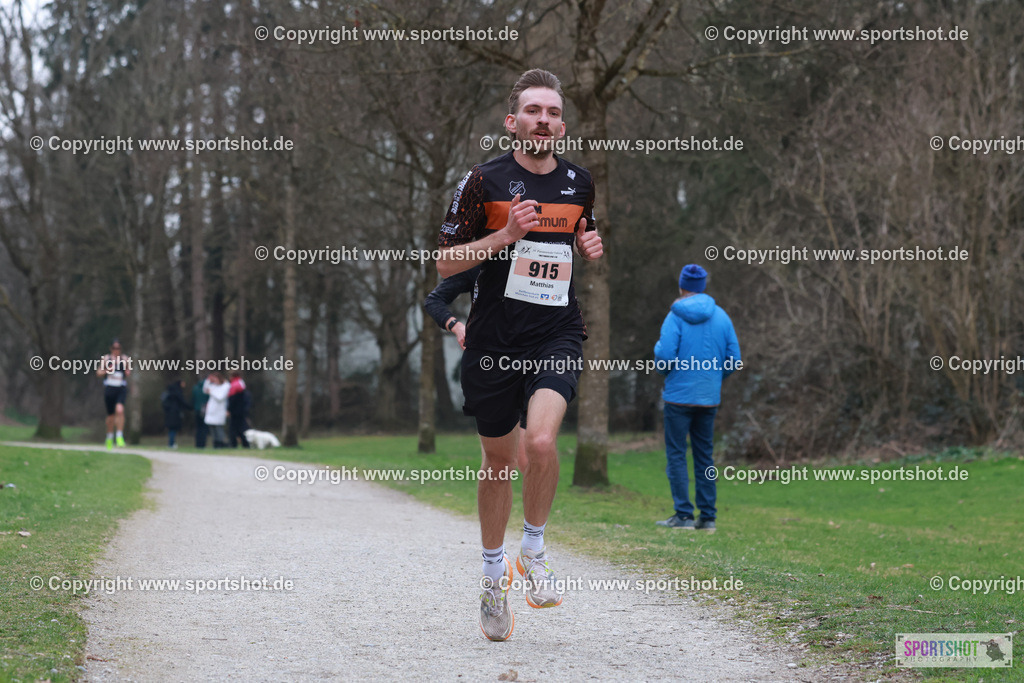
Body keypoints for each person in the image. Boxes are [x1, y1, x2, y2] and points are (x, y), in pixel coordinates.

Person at [436, 69, 603, 641]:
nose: (544, 120)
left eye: (553, 113)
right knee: (499, 465)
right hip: (492, 342)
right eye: (533, 111)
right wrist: (504, 237)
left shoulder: (580, 182)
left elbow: (581, 232)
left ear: (561, 124)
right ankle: (490, 578)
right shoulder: (483, 181)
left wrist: (589, 243)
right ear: (513, 122)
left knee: (540, 442)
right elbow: (445, 264)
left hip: (555, 331)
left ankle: (532, 549)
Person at [653, 264, 741, 532]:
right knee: (705, 457)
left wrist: (663, 369)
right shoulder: (722, 317)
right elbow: (734, 360)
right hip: (708, 399)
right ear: (703, 286)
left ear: (682, 286)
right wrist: (713, 379)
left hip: (678, 398)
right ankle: (708, 517)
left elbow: (665, 356)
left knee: (677, 455)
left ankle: (683, 515)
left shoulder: (674, 317)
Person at [424, 266, 529, 473]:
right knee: (499, 463)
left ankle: (535, 505)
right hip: (490, 369)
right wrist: (456, 326)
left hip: (531, 364)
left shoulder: (537, 256)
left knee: (527, 457)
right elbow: (434, 300)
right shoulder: (478, 262)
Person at [96, 338, 131, 449]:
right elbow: (99, 372)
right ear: (111, 348)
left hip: (120, 388)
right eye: (114, 348)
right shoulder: (106, 359)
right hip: (110, 388)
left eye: (118, 348)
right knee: (111, 416)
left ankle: (119, 436)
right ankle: (109, 437)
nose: (116, 350)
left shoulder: (125, 359)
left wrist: (126, 370)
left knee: (120, 410)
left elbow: (128, 373)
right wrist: (107, 370)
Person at [161, 378, 191, 448]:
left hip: (169, 413)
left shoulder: (168, 392)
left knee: (171, 429)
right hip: (175, 413)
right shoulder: (178, 392)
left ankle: (171, 443)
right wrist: (190, 407)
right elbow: (182, 402)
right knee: (173, 429)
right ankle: (171, 443)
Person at [203, 372, 230, 448]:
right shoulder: (214, 386)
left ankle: (222, 444)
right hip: (211, 411)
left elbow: (220, 397)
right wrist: (208, 381)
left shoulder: (226, 386)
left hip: (219, 411)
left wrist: (211, 392)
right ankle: (215, 444)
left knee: (218, 429)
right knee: (212, 429)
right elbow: (205, 390)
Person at [227, 373, 251, 448]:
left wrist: (229, 409)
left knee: (234, 428)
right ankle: (245, 443)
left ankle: (234, 444)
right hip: (242, 410)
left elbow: (232, 399)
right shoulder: (241, 383)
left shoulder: (234, 384)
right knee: (242, 427)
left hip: (236, 411)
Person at [192, 377, 210, 448]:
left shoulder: (195, 388)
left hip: (197, 410)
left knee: (198, 428)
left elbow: (193, 399)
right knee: (204, 428)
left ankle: (198, 443)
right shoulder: (206, 390)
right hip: (205, 410)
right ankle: (202, 443)